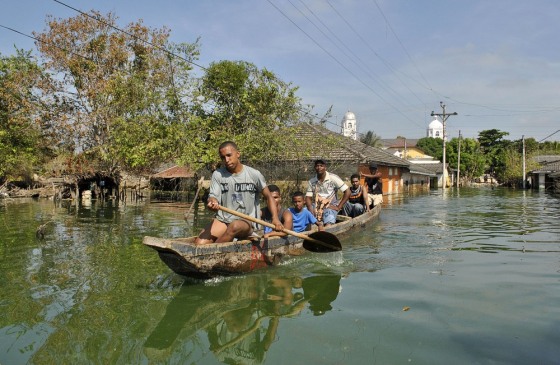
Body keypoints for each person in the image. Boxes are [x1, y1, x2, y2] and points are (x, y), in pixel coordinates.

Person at [195, 141, 283, 244]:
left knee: (235, 226)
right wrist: (212, 203)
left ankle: (212, 252)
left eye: (229, 155)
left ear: (238, 154)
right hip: (224, 219)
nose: (226, 160)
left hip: (248, 221)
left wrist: (275, 219)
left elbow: (269, 196)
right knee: (200, 244)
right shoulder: (218, 174)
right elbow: (213, 197)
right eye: (223, 157)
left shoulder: (254, 174)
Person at [305, 159, 350, 226]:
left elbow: (347, 192)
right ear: (315, 168)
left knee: (329, 217)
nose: (319, 168)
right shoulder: (312, 181)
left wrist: (338, 207)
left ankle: (327, 230)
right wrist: (311, 209)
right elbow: (308, 197)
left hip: (330, 205)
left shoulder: (333, 178)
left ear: (325, 167)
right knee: (304, 211)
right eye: (317, 166)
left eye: (321, 166)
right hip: (317, 205)